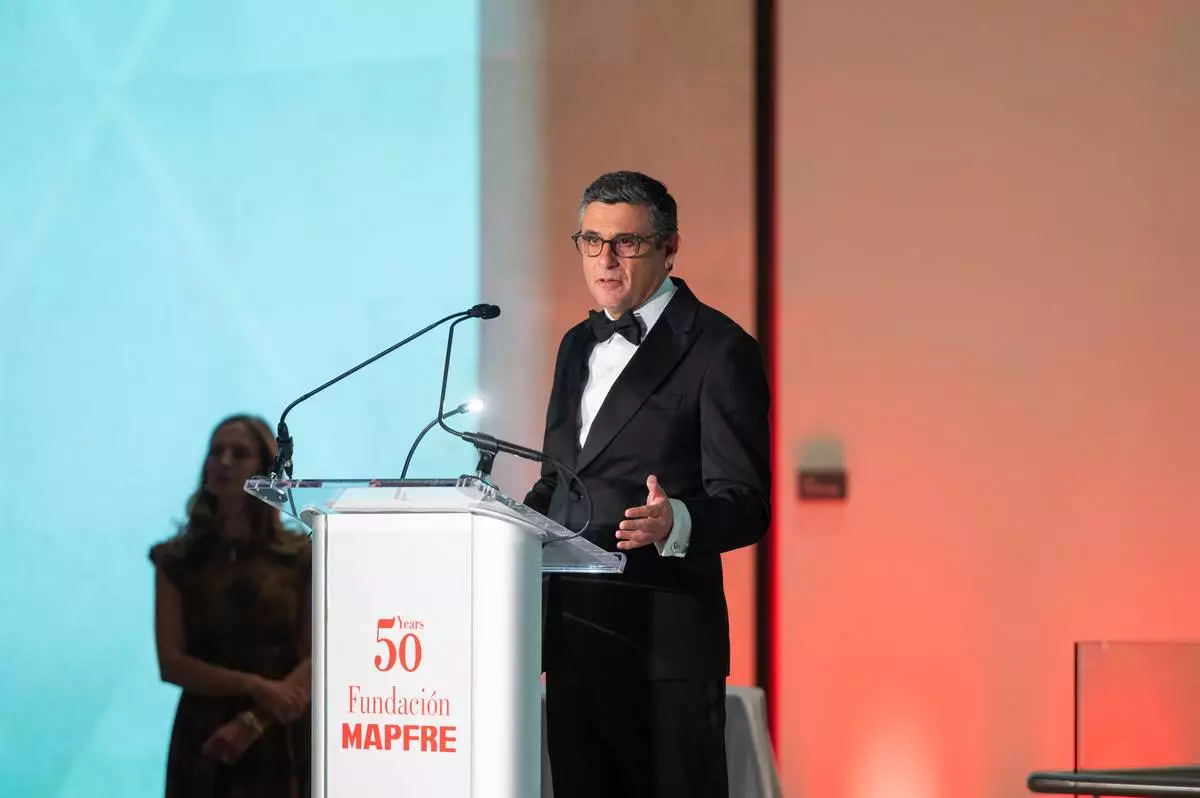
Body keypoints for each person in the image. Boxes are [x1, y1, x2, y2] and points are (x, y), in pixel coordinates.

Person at [525, 171, 772, 798]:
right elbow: (558, 481)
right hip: (574, 639)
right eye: (592, 241)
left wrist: (676, 521)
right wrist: (507, 526)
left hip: (664, 651)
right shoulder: (575, 346)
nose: (605, 259)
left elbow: (746, 504)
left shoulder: (720, 349)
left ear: (669, 248)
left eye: (626, 243)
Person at [150, 414, 312, 797]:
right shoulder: (177, 559)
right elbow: (171, 663)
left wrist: (254, 720)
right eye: (216, 451)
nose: (223, 461)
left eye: (239, 453)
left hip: (279, 730)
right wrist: (254, 686)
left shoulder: (301, 557)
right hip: (206, 735)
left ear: (266, 469)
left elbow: (317, 654)